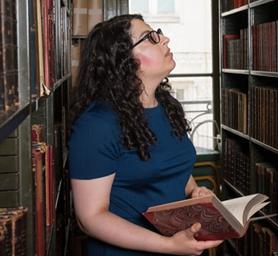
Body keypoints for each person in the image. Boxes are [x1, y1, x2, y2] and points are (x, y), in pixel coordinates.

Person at [68, 14, 223, 256]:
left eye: (158, 32)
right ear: (124, 60)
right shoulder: (97, 124)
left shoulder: (168, 105)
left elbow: (173, 170)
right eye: (150, 37)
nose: (165, 39)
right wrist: (169, 246)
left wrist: (195, 193)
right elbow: (90, 218)